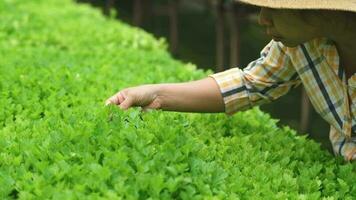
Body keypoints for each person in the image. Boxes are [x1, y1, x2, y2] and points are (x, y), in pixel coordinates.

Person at [106, 0, 356, 161]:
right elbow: (250, 84)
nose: (262, 19)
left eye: (275, 8)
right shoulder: (299, 43)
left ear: (323, 10)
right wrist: (155, 94)